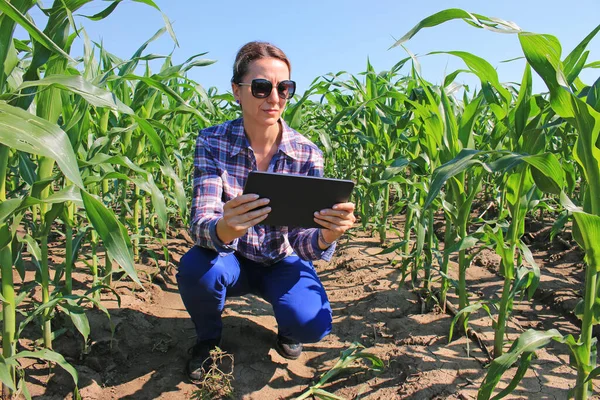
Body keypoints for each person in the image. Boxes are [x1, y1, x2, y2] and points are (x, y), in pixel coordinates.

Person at [176, 41, 356, 381]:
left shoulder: (306, 153)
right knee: (196, 270)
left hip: (281, 260)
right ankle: (208, 339)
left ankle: (289, 329)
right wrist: (227, 226)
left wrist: (329, 233)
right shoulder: (212, 142)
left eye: (284, 88)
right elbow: (200, 223)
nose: (274, 98)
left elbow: (304, 242)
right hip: (231, 258)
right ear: (236, 91)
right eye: (261, 87)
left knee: (311, 324)